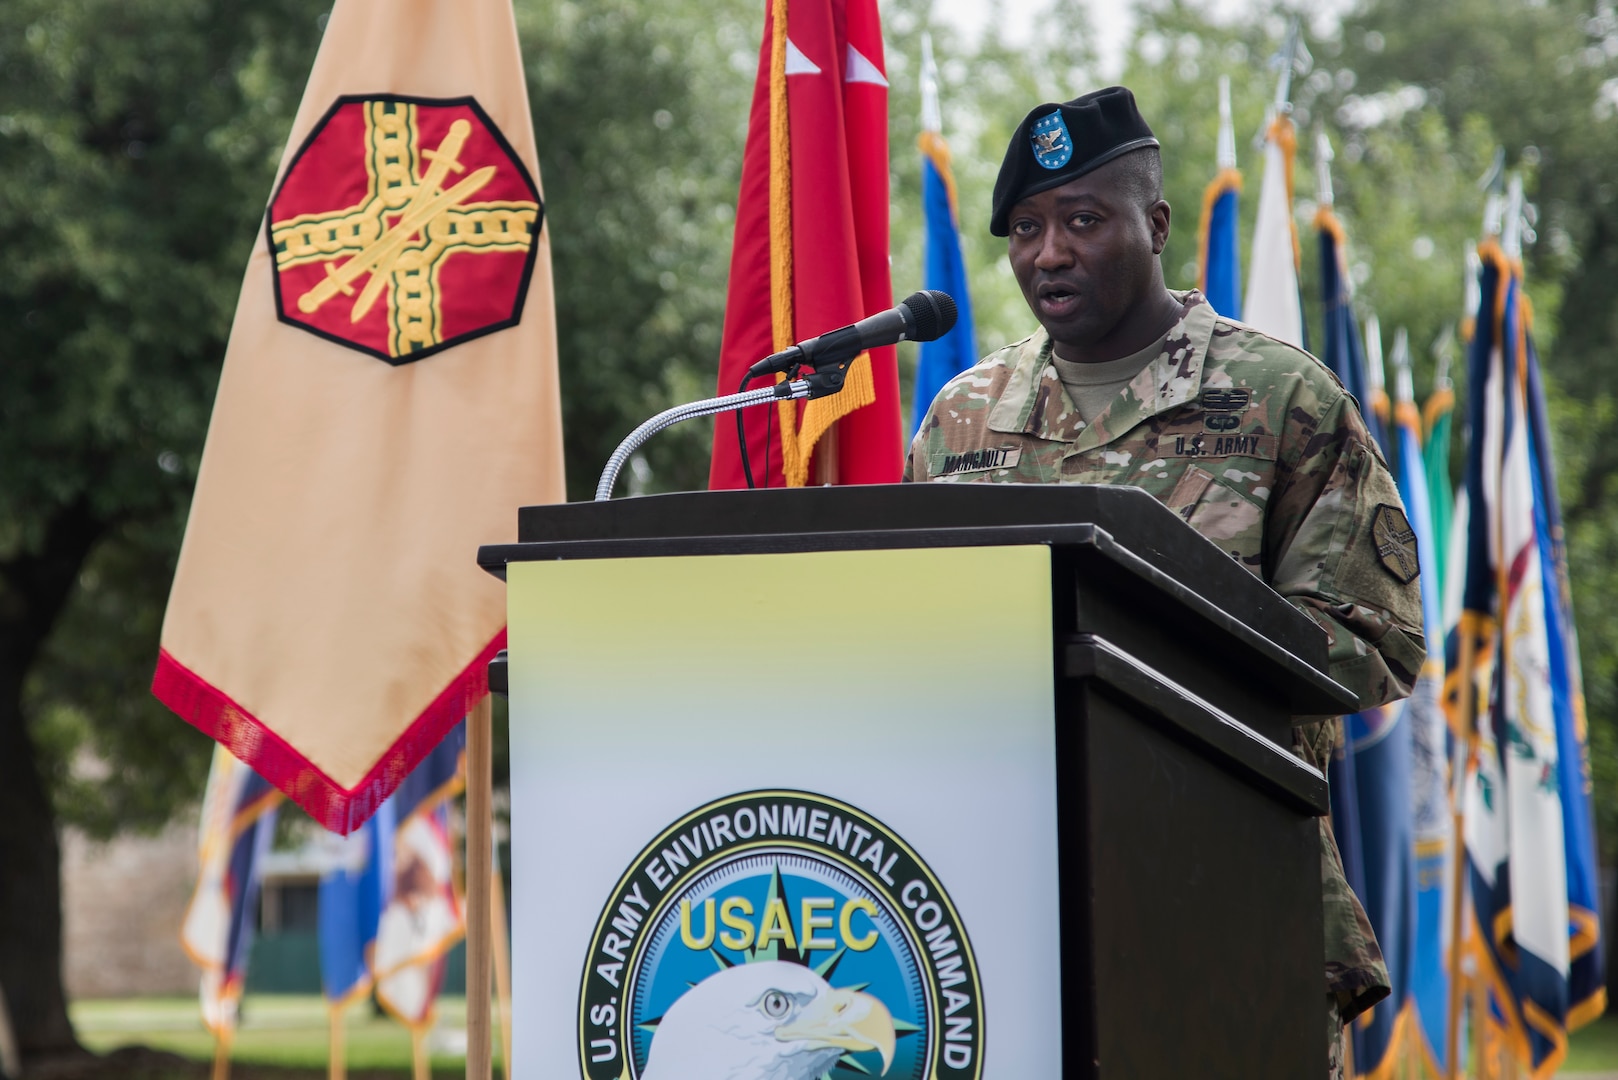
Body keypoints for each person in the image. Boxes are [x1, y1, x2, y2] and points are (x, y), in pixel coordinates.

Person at [904, 86, 1426, 1078]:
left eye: (1082, 221)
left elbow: (1375, 641)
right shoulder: (961, 420)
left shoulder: (1278, 400)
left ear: (1154, 225)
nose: (1047, 252)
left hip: (1226, 888)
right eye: (1025, 227)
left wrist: (1162, 667)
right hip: (1006, 899)